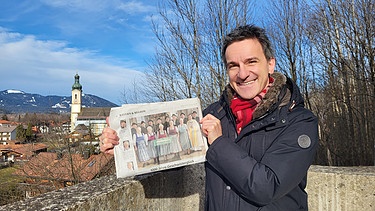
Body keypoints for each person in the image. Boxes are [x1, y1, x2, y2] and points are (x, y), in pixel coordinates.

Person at [200, 24, 318, 210]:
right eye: (233, 66)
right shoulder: (214, 114)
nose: (243, 74)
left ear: (270, 64)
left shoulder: (298, 120)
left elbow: (267, 187)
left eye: (251, 62)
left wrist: (218, 143)